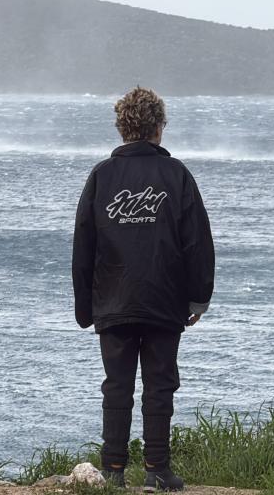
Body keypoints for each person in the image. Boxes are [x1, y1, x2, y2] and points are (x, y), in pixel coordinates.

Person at [72, 87, 214, 492]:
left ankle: (113, 470)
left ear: (122, 128)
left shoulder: (102, 176)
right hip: (164, 299)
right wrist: (199, 297)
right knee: (160, 384)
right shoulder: (176, 175)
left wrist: (85, 307)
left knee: (117, 385)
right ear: (158, 128)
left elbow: (83, 246)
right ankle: (157, 470)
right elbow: (197, 242)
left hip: (112, 300)